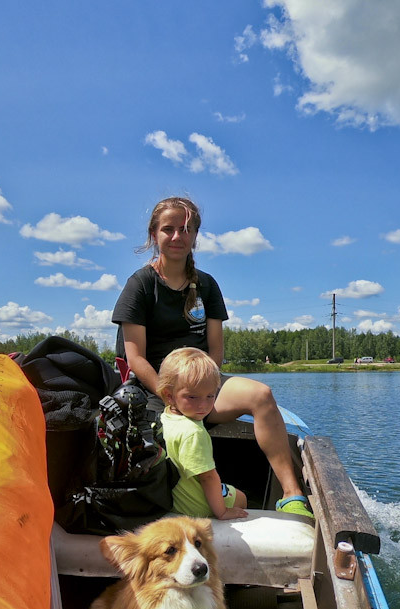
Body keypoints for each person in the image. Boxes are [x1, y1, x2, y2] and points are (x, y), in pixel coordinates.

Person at [112, 196, 314, 519]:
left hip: (204, 386)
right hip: (156, 393)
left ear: (194, 236)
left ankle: (291, 495)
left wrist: (202, 391)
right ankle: (181, 504)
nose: (178, 236)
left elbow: (216, 350)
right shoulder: (140, 286)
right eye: (169, 229)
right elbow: (135, 357)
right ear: (154, 235)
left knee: (261, 396)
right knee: (161, 438)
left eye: (186, 229)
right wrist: (170, 396)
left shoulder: (206, 285)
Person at [157, 347, 248, 520]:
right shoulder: (193, 432)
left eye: (210, 396)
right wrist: (222, 512)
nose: (203, 405)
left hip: (174, 501)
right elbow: (207, 478)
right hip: (195, 508)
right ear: (169, 396)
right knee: (241, 497)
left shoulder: (164, 417)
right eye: (192, 397)